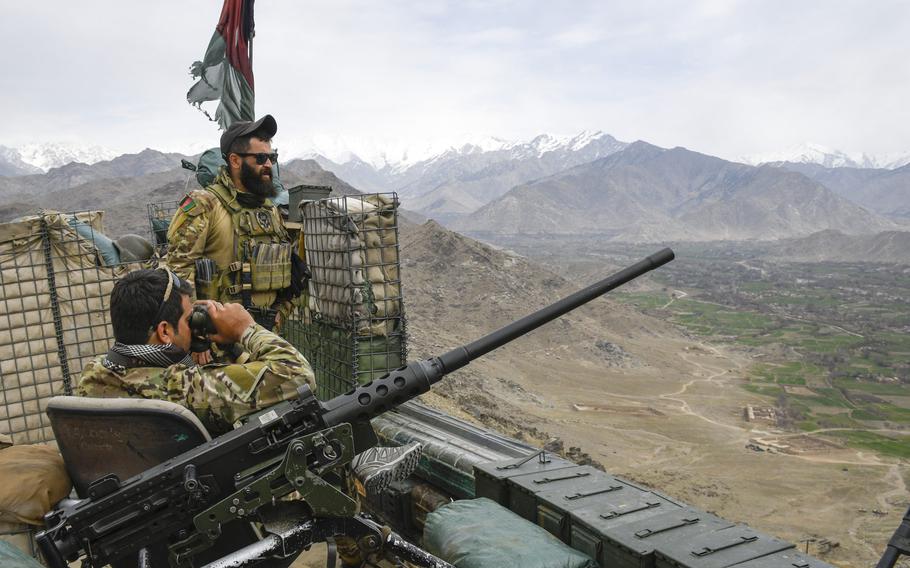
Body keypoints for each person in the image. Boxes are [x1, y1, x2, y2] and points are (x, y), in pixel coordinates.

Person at [76, 268, 419, 494]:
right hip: (204, 495)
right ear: (164, 331)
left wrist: (212, 347)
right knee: (297, 421)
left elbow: (229, 388)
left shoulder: (93, 379)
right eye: (186, 318)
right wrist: (244, 329)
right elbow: (295, 374)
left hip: (146, 492)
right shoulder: (186, 387)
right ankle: (357, 519)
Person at [165, 114, 296, 332]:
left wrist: (282, 312)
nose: (268, 165)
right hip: (218, 340)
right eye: (261, 158)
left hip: (265, 336)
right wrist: (197, 337)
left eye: (272, 158)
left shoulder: (269, 209)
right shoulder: (205, 205)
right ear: (235, 161)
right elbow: (179, 275)